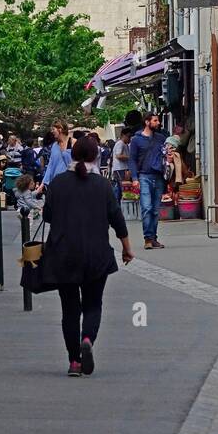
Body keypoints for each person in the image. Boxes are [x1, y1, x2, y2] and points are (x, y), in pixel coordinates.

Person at [40, 136, 133, 376]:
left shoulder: (58, 184)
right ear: (95, 157)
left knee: (69, 310)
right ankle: (88, 339)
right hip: (96, 253)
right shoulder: (102, 186)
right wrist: (126, 247)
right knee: (93, 304)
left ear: (72, 156)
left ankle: (73, 361)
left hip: (63, 254)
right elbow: (117, 219)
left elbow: (48, 216)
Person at [128, 111, 168, 249]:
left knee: (156, 210)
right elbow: (132, 160)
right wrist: (134, 178)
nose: (158, 123)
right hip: (144, 176)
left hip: (158, 176)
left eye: (158, 121)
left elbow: (165, 154)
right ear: (147, 122)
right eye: (155, 121)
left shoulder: (161, 138)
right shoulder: (136, 140)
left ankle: (153, 237)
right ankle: (148, 238)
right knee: (147, 208)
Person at [39, 120, 72, 191]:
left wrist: (64, 149)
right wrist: (43, 183)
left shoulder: (73, 143)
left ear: (60, 129)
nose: (52, 131)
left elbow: (72, 164)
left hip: (68, 183)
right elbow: (50, 165)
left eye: (53, 129)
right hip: (54, 183)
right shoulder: (54, 145)